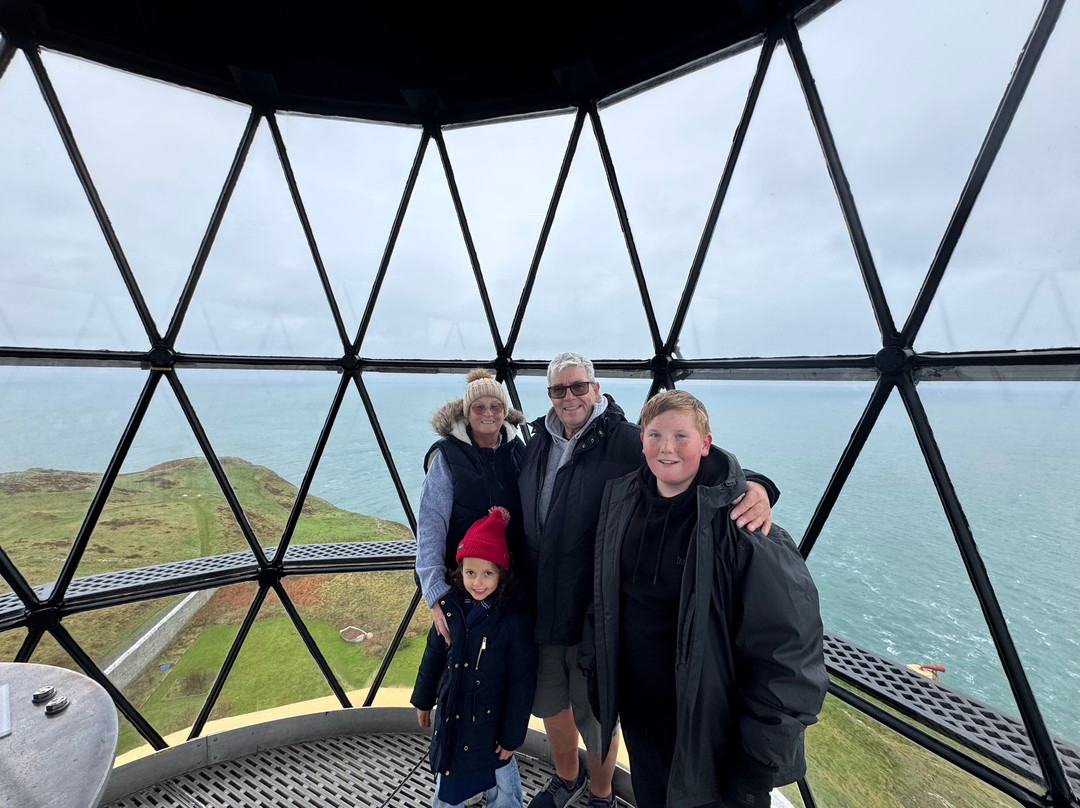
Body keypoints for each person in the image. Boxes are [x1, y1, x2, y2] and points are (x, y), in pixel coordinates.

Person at [517, 353, 778, 808]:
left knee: (596, 712)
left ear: (596, 389)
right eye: (558, 389)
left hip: (592, 610)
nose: (569, 397)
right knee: (553, 703)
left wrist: (754, 485)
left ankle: (600, 793)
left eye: (578, 386)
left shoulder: (623, 439)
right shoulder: (539, 440)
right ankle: (567, 777)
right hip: (544, 607)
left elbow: (689, 460)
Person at [581, 390, 827, 808]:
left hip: (714, 736)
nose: (667, 448)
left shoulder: (743, 528)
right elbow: (606, 595)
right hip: (643, 717)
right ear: (641, 440)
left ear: (706, 443)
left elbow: (788, 651)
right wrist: (596, 672)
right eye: (655, 435)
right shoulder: (624, 502)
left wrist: (759, 761)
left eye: (681, 436)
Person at [412, 506, 539, 808]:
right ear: (459, 571)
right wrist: (423, 698)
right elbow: (433, 655)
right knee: (448, 777)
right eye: (470, 572)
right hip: (453, 717)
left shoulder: (512, 620)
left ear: (501, 574)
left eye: (487, 573)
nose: (478, 582)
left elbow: (522, 682)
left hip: (491, 727)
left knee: (502, 781)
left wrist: (511, 738)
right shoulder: (450, 610)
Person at [417, 368, 527, 644]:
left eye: (495, 406)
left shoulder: (518, 451)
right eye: (478, 406)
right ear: (467, 412)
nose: (487, 413)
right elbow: (431, 525)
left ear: (505, 411)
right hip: (463, 589)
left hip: (513, 587)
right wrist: (436, 593)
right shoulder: (447, 457)